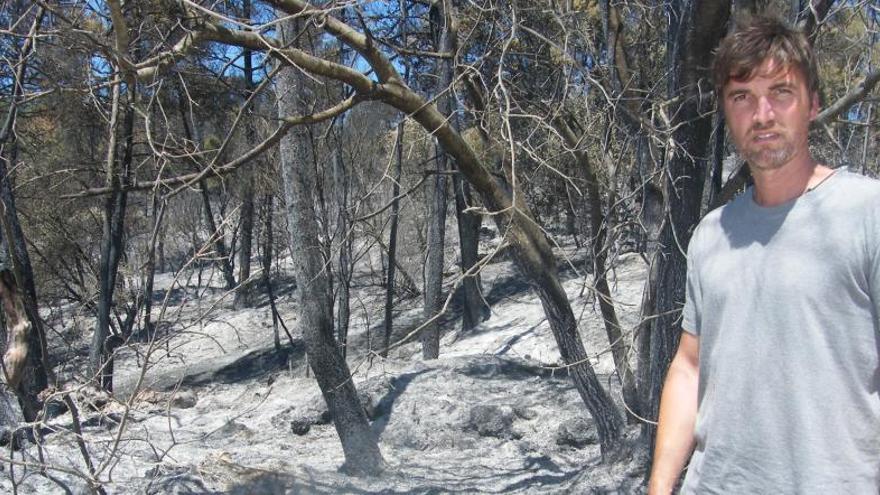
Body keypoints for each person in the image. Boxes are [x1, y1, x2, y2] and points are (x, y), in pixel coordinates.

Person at [648, 16, 880, 494]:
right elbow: (689, 367)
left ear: (812, 103)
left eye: (780, 93)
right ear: (726, 113)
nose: (763, 114)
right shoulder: (711, 235)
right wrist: (659, 487)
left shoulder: (867, 213)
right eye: (742, 97)